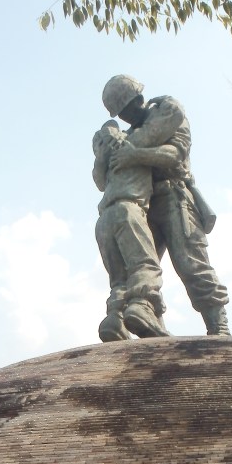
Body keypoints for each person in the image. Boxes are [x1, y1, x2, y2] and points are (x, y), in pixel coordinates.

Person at [102, 75, 230, 336]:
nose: (127, 117)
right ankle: (150, 325)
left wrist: (135, 155)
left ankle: (219, 327)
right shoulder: (130, 136)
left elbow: (175, 156)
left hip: (175, 198)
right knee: (137, 271)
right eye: (122, 114)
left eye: (129, 109)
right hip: (143, 205)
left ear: (139, 99)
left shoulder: (169, 116)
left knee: (191, 265)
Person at [92, 119, 168, 340]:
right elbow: (169, 158)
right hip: (129, 210)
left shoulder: (104, 161)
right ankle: (141, 306)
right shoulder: (134, 144)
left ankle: (115, 318)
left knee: (119, 279)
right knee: (145, 266)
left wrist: (101, 155)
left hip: (104, 220)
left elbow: (98, 182)